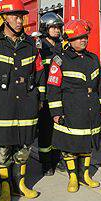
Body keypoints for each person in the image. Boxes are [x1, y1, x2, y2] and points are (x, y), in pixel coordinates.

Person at [0, 0, 45, 201]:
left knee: (24, 146)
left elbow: (39, 71)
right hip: (2, 103)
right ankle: (6, 188)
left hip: (26, 102)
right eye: (15, 17)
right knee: (4, 148)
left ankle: (21, 185)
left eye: (21, 17)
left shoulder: (31, 43)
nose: (19, 21)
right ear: (4, 18)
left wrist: (40, 98)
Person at [46, 19, 101, 193]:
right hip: (71, 109)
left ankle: (85, 175)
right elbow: (53, 87)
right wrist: (56, 112)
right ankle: (73, 177)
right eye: (80, 38)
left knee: (87, 144)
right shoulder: (60, 60)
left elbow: (100, 84)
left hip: (90, 108)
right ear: (70, 40)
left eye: (85, 37)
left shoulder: (93, 58)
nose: (83, 40)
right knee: (70, 146)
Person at [37, 12, 64, 176]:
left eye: (58, 27)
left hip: (60, 95)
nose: (57, 30)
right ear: (45, 28)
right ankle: (46, 163)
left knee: (58, 129)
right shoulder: (41, 48)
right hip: (46, 97)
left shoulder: (61, 47)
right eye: (53, 27)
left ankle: (56, 159)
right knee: (45, 131)